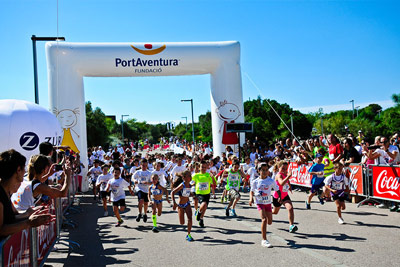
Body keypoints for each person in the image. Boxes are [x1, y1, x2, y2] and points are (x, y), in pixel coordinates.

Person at [0, 150, 54, 238]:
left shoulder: (7, 192)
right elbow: (1, 230)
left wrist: (29, 214)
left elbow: (14, 216)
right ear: (18, 170)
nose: (25, 171)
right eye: (23, 168)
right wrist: (28, 223)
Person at [249, 163, 278, 248]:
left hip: (268, 203)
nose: (265, 172)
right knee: (264, 220)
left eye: (266, 170)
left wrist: (279, 197)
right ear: (258, 171)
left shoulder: (270, 181)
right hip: (259, 203)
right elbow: (252, 191)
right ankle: (264, 240)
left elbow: (277, 189)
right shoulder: (255, 181)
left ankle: (268, 217)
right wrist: (251, 198)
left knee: (270, 222)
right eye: (263, 170)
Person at [272, 161, 298, 233]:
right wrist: (288, 176)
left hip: (285, 196)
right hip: (277, 196)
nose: (284, 170)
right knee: (275, 212)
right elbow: (281, 183)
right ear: (279, 168)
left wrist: (289, 187)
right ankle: (268, 212)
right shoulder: (278, 175)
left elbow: (287, 181)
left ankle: (291, 225)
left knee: (290, 208)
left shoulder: (285, 174)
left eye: (286, 169)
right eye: (283, 168)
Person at [171, 171, 194, 241]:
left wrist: (193, 195)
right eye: (188, 176)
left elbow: (187, 194)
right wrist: (174, 203)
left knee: (190, 218)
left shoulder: (190, 185)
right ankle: (188, 233)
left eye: (190, 175)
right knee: (182, 223)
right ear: (184, 178)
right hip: (180, 205)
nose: (190, 177)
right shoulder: (182, 185)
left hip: (187, 204)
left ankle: (188, 234)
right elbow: (172, 192)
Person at [192, 161, 216, 228]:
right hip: (199, 193)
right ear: (199, 168)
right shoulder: (196, 175)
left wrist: (213, 177)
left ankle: (201, 219)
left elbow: (214, 183)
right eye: (202, 167)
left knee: (205, 207)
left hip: (207, 194)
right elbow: (189, 180)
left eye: (205, 167)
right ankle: (199, 213)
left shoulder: (208, 175)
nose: (203, 168)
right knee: (204, 204)